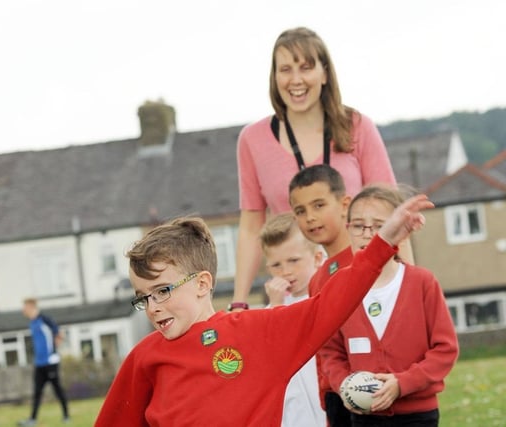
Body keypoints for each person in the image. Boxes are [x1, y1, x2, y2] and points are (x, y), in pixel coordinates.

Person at [95, 192, 433, 427]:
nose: (152, 307)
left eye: (162, 291)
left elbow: (330, 304)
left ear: (201, 284)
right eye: (143, 298)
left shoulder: (259, 333)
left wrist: (383, 240)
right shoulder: (144, 358)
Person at [232, 26, 396, 312]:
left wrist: (405, 281)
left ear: (324, 73)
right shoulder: (252, 140)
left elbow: (391, 213)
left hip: (363, 278)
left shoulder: (357, 126)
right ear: (275, 77)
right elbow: (250, 228)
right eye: (285, 69)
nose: (296, 80)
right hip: (300, 292)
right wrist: (238, 302)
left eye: (306, 67)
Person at [320, 185, 459, 426]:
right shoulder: (338, 288)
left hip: (418, 416)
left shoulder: (422, 283)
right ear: (348, 228)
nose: (367, 233)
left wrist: (403, 383)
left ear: (400, 231)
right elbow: (330, 353)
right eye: (358, 225)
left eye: (378, 226)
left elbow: (445, 349)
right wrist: (345, 384)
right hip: (364, 416)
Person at [288, 164, 357, 426]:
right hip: (335, 396)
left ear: (344, 204)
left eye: (319, 205)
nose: (310, 217)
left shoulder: (367, 262)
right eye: (300, 211)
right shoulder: (317, 279)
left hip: (375, 389)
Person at [260, 213, 326, 426]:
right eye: (276, 265)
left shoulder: (327, 297)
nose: (286, 271)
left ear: (316, 258)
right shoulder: (271, 311)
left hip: (328, 408)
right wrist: (276, 306)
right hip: (295, 416)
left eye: (294, 261)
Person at [18, 298, 70, 426]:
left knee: (57, 390)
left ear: (31, 306)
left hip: (50, 363)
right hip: (39, 363)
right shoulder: (32, 323)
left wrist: (53, 350)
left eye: (24, 307)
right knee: (36, 392)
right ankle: (32, 419)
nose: (23, 310)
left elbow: (59, 334)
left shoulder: (44, 320)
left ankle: (66, 416)